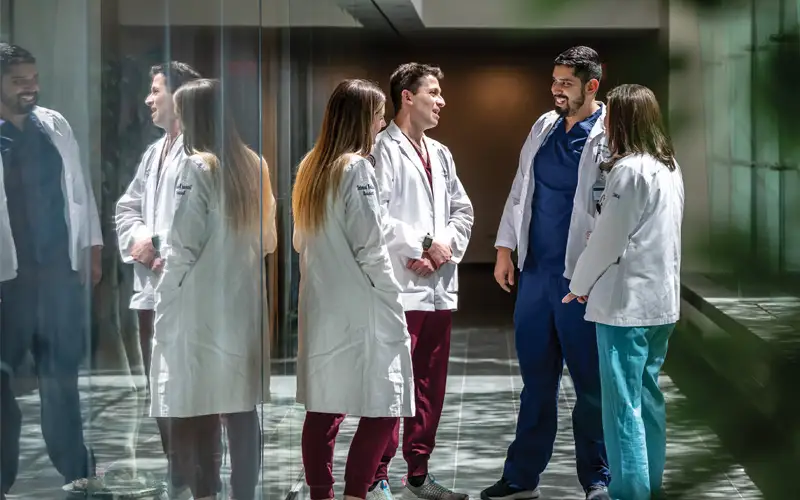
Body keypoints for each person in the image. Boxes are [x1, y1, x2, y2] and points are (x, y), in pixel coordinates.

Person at [483, 46, 611, 500]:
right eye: (554, 80)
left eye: (566, 83)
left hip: (582, 281)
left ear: (591, 86)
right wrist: (504, 249)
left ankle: (598, 479)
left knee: (591, 387)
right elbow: (521, 189)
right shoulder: (543, 125)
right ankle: (521, 478)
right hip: (536, 275)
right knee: (536, 384)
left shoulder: (611, 134)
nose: (556, 89)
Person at [151, 78, 277, 500]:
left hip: (201, 309)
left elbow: (181, 248)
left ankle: (205, 493)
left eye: (183, 113)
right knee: (241, 409)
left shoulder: (197, 165)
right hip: (243, 306)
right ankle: (244, 493)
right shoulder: (254, 164)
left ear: (195, 116)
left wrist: (163, 300)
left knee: (198, 408)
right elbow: (270, 241)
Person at [293, 79, 414, 500]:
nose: (383, 122)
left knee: (324, 408)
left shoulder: (311, 166)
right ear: (364, 118)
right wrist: (392, 300)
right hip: (360, 306)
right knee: (385, 404)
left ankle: (321, 494)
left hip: (321, 303)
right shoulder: (357, 168)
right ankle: (355, 494)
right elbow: (370, 247)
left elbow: (299, 241)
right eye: (379, 114)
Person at [563, 84, 684, 500]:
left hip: (625, 308)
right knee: (648, 399)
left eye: (610, 115)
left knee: (622, 407)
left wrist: (578, 285)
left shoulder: (628, 170)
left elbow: (607, 240)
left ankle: (629, 493)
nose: (604, 122)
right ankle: (648, 487)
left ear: (624, 120)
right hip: (660, 306)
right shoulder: (669, 167)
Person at [0, 43, 102, 498]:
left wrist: (92, 247)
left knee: (62, 380)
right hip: (9, 282)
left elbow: (78, 189)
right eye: (20, 80)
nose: (31, 87)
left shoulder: (52, 124)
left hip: (57, 274)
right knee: (3, 386)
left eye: (33, 78)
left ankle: (77, 473)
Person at [370, 62, 473, 500]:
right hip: (401, 289)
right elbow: (378, 217)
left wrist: (440, 248)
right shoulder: (380, 149)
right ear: (407, 96)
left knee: (431, 388)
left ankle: (418, 474)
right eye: (433, 92)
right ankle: (375, 476)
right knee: (393, 388)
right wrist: (425, 244)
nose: (442, 100)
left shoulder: (442, 153)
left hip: (437, 288)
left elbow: (462, 211)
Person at [114, 60, 201, 496]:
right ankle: (178, 476)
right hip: (151, 289)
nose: (149, 99)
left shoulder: (200, 152)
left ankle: (196, 478)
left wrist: (159, 243)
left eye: (156, 90)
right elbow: (127, 208)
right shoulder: (154, 152)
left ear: (180, 96)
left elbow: (198, 222)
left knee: (186, 391)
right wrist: (141, 241)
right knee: (160, 392)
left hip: (184, 292)